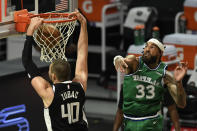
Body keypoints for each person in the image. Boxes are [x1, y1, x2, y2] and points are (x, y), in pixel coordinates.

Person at [22, 10, 88, 131]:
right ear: (69, 73)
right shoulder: (80, 85)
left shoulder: (49, 92)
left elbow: (27, 62)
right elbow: (82, 54)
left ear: (53, 76)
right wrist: (83, 23)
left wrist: (30, 30)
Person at [113, 38, 187, 131]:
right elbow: (124, 60)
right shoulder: (135, 63)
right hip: (130, 122)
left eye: (152, 47)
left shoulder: (164, 75)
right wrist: (118, 59)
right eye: (146, 46)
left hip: (151, 123)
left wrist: (179, 83)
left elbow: (181, 104)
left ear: (160, 52)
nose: (147, 49)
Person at [113, 88, 181, 131]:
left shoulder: (161, 83)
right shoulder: (128, 85)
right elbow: (120, 112)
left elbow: (172, 109)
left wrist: (177, 129)